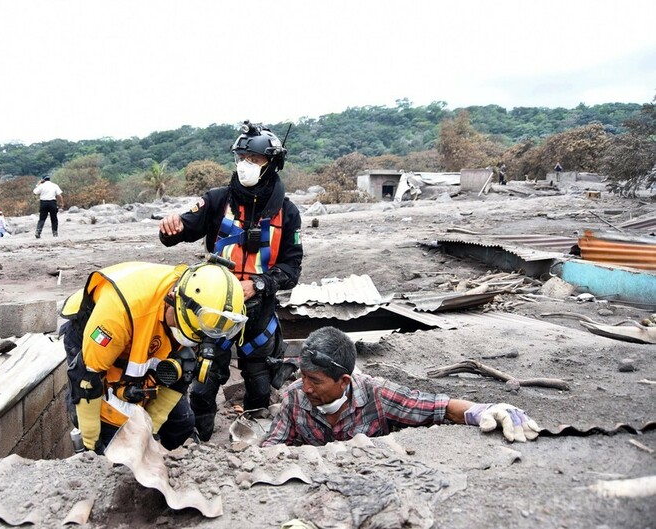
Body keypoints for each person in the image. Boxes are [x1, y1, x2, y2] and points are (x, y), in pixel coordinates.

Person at [159, 120, 303, 441]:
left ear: (272, 164)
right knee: (202, 386)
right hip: (215, 314)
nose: (245, 166)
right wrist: (170, 228)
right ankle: (199, 446)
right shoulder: (217, 200)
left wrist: (260, 284)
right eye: (241, 158)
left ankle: (251, 443)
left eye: (254, 160)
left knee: (260, 386)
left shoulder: (288, 213)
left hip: (259, 316)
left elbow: (292, 269)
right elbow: (179, 231)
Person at [59, 261, 248, 452]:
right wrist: (92, 447)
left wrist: (151, 431)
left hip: (150, 337)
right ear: (175, 300)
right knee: (114, 433)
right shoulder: (116, 315)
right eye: (185, 330)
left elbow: (181, 374)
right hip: (100, 340)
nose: (193, 342)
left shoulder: (202, 313)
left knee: (181, 425)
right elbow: (86, 380)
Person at [262, 326, 541, 447]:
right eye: (304, 376)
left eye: (315, 381)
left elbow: (436, 407)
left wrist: (482, 410)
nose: (306, 387)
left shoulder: (378, 394)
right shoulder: (294, 398)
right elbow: (271, 448)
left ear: (344, 381)